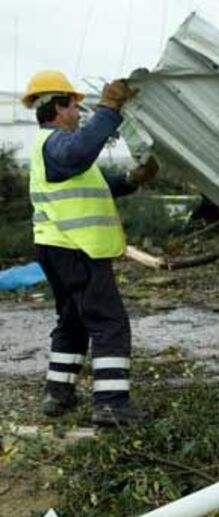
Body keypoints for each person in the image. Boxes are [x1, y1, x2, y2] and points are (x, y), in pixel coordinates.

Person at [23, 70, 158, 426]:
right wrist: (109, 107)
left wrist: (131, 179)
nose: (78, 114)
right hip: (76, 247)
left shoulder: (53, 149)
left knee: (72, 322)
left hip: (58, 247)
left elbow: (98, 185)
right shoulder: (57, 144)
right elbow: (81, 151)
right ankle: (111, 404)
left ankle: (58, 393)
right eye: (73, 106)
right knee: (109, 324)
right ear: (57, 106)